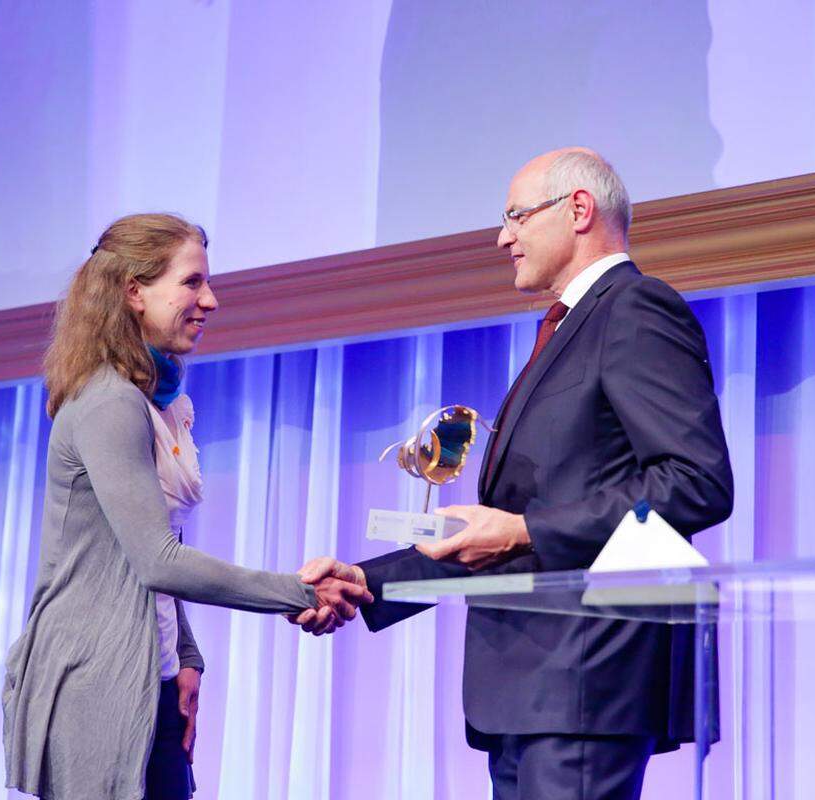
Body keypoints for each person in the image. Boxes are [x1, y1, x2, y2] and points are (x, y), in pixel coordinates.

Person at [295, 149, 733, 799]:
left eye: (517, 216)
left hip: (587, 684)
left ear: (579, 209)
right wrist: (369, 581)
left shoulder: (636, 309)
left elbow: (696, 481)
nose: (504, 237)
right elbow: (497, 529)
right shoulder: (563, 330)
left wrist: (525, 529)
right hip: (528, 696)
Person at [2, 213, 373, 800]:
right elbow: (157, 560)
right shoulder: (109, 402)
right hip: (97, 681)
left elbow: (143, 555)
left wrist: (186, 657)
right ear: (133, 292)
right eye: (192, 282)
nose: (212, 300)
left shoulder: (159, 404)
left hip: (152, 674)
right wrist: (304, 592)